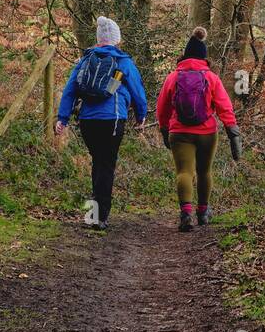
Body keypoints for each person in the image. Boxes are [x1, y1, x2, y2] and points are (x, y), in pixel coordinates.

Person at [55, 16, 147, 232]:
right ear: (116, 39)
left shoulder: (85, 60)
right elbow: (137, 91)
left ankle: (93, 214)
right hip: (112, 120)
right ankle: (99, 217)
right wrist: (141, 115)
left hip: (87, 121)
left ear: (98, 39)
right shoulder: (123, 62)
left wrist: (63, 118)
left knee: (98, 163)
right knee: (105, 165)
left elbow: (70, 90)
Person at [156, 26, 242, 232]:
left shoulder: (173, 77)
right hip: (207, 133)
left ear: (184, 55)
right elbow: (224, 106)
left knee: (184, 172)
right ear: (204, 57)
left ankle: (186, 213)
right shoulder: (211, 77)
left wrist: (164, 129)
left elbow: (162, 107)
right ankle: (203, 212)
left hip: (179, 132)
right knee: (204, 171)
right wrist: (232, 131)